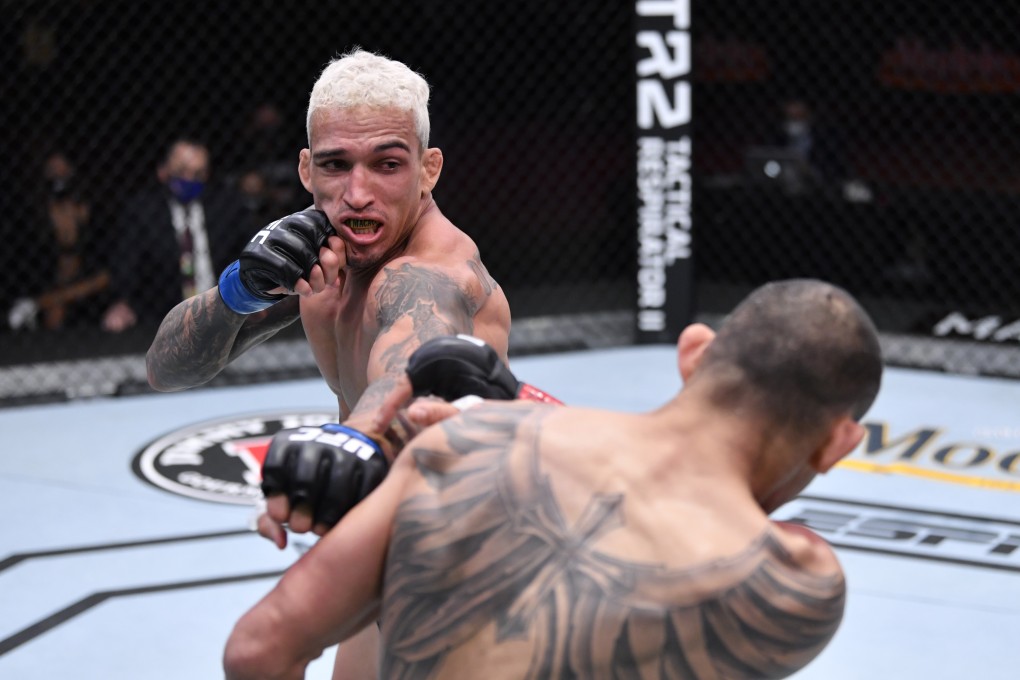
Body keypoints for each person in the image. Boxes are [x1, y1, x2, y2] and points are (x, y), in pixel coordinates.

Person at [223, 278, 884, 680]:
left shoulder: (463, 445)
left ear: (695, 352)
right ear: (838, 444)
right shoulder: (796, 584)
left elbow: (258, 652)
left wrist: (394, 506)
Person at [145, 49, 512, 678]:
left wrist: (344, 446)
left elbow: (409, 367)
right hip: (381, 534)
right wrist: (240, 291)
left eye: (387, 164)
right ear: (307, 170)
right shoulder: (326, 256)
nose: (358, 192)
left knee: (261, 652)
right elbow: (166, 368)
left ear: (429, 170)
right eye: (337, 166)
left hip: (457, 556)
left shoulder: (428, 275)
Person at [102, 137, 253, 332]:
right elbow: (125, 265)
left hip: (223, 311)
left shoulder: (225, 208)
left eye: (198, 174)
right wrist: (122, 304)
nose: (189, 179)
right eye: (182, 172)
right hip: (161, 316)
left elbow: (249, 251)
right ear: (163, 172)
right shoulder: (143, 213)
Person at [7, 150, 113, 331]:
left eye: (70, 205)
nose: (65, 215)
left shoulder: (98, 243)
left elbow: (101, 280)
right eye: (58, 207)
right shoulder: (35, 253)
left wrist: (38, 303)